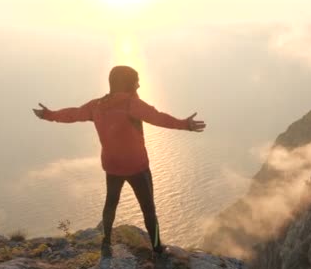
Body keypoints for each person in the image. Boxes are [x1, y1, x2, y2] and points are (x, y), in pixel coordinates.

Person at [33, 66, 206, 258]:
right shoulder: (132, 104)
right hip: (137, 167)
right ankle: (157, 247)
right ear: (128, 84)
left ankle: (106, 242)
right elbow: (157, 118)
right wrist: (185, 125)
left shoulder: (96, 106)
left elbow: (73, 114)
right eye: (136, 81)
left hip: (112, 166)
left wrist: (49, 115)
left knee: (111, 204)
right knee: (149, 210)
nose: (139, 84)